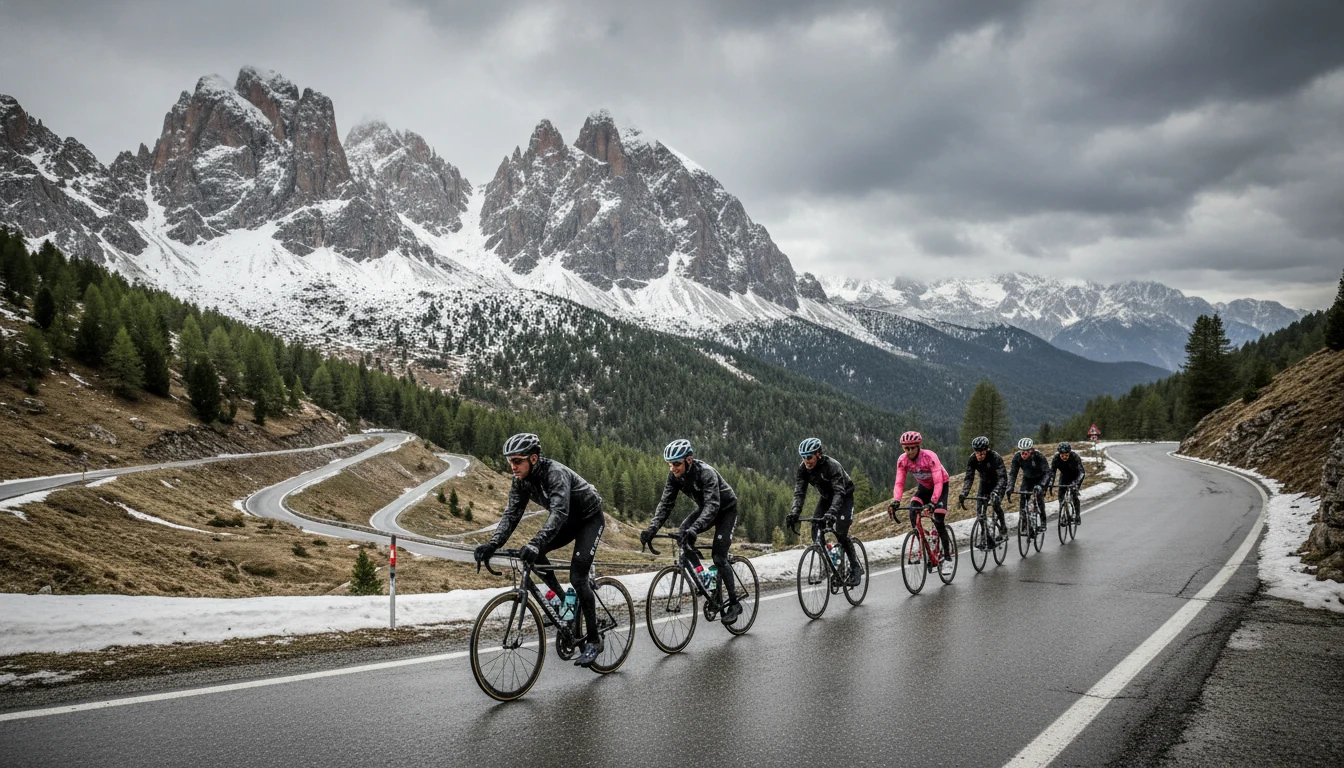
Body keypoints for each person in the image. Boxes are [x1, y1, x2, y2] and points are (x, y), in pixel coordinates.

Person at [474, 433, 607, 667]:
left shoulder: (554, 473)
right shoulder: (521, 480)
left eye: (517, 461)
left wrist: (536, 541)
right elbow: (512, 514)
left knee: (578, 577)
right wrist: (493, 544)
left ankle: (594, 641)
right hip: (566, 520)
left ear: (533, 459)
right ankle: (566, 602)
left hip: (589, 519)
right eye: (510, 461)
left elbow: (559, 513)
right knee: (534, 556)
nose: (512, 467)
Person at [640, 439, 743, 624]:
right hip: (706, 508)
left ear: (688, 460)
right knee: (682, 535)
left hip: (725, 509)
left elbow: (713, 505)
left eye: (677, 463)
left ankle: (734, 603)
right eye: (670, 464)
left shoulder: (706, 473)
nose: (673, 468)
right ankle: (706, 580)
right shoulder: (674, 477)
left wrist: (695, 528)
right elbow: (665, 505)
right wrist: (652, 529)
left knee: (719, 556)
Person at [786, 437, 863, 586]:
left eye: (809, 457)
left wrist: (833, 512)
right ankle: (834, 563)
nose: (806, 460)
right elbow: (799, 493)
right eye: (803, 457)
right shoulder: (803, 469)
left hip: (844, 495)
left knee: (841, 533)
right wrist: (794, 512)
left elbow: (839, 492)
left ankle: (855, 567)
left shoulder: (832, 466)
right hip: (826, 497)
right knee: (815, 528)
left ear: (818, 454)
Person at [889, 430, 953, 576]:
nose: (909, 451)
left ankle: (948, 558)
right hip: (924, 487)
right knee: (913, 509)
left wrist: (933, 502)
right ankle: (923, 544)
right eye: (906, 448)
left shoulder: (929, 457)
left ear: (918, 446)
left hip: (941, 485)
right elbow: (899, 483)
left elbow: (938, 482)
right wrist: (896, 501)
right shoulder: (902, 460)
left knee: (938, 518)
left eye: (912, 447)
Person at [958, 435, 1008, 543]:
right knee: (980, 510)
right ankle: (984, 533)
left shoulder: (995, 457)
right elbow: (969, 477)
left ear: (987, 450)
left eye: (981, 453)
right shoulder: (972, 459)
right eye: (976, 452)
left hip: (998, 483)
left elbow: (1002, 477)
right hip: (984, 483)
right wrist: (964, 493)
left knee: (995, 503)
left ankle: (1003, 528)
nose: (979, 455)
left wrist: (996, 491)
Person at [1007, 437, 1050, 532]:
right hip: (1027, 478)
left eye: (1026, 452)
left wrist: (1042, 485)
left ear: (1031, 451)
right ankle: (1023, 521)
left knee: (1039, 498)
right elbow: (1013, 473)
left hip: (1040, 478)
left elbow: (1047, 472)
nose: (1024, 455)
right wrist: (1010, 486)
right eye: (1022, 452)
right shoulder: (1017, 457)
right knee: (1023, 499)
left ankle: (1043, 521)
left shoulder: (1038, 456)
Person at [1048, 442, 1087, 525]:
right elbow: (1052, 472)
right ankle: (1064, 514)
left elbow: (1082, 472)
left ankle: (1077, 516)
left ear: (1069, 453)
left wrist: (1076, 484)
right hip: (1064, 476)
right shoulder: (1056, 458)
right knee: (1061, 496)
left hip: (1076, 476)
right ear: (1059, 454)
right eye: (1062, 455)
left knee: (1074, 495)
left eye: (1066, 455)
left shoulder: (1075, 457)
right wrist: (1051, 484)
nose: (1064, 457)